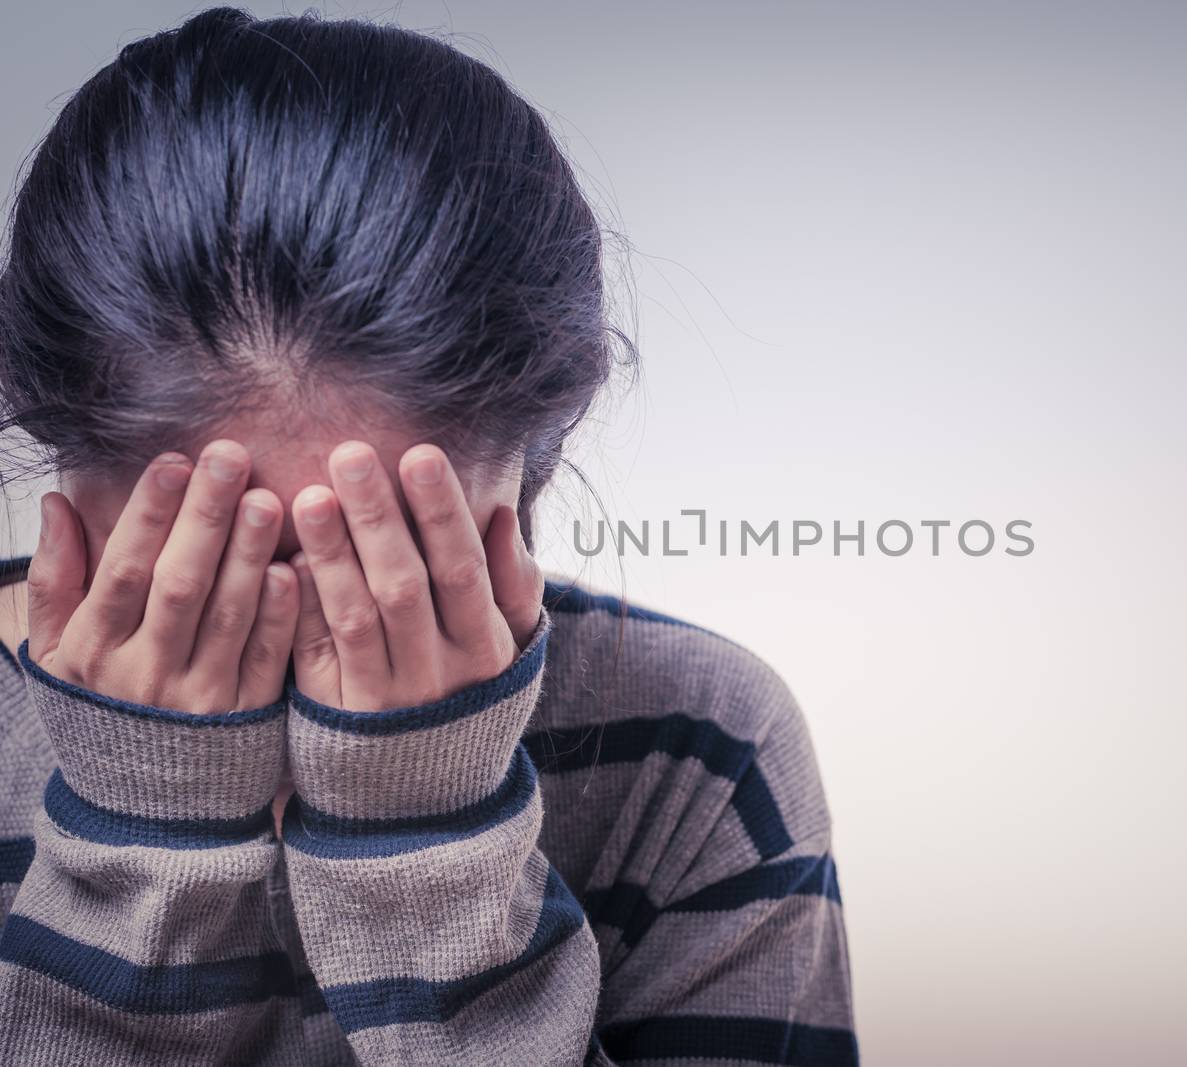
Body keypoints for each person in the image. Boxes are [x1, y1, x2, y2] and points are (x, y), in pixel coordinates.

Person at [0, 7, 855, 1064]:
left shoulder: (701, 742)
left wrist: (428, 862)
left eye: (391, 548)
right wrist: (142, 842)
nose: (325, 627)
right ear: (41, 423)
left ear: (540, 451)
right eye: (213, 555)